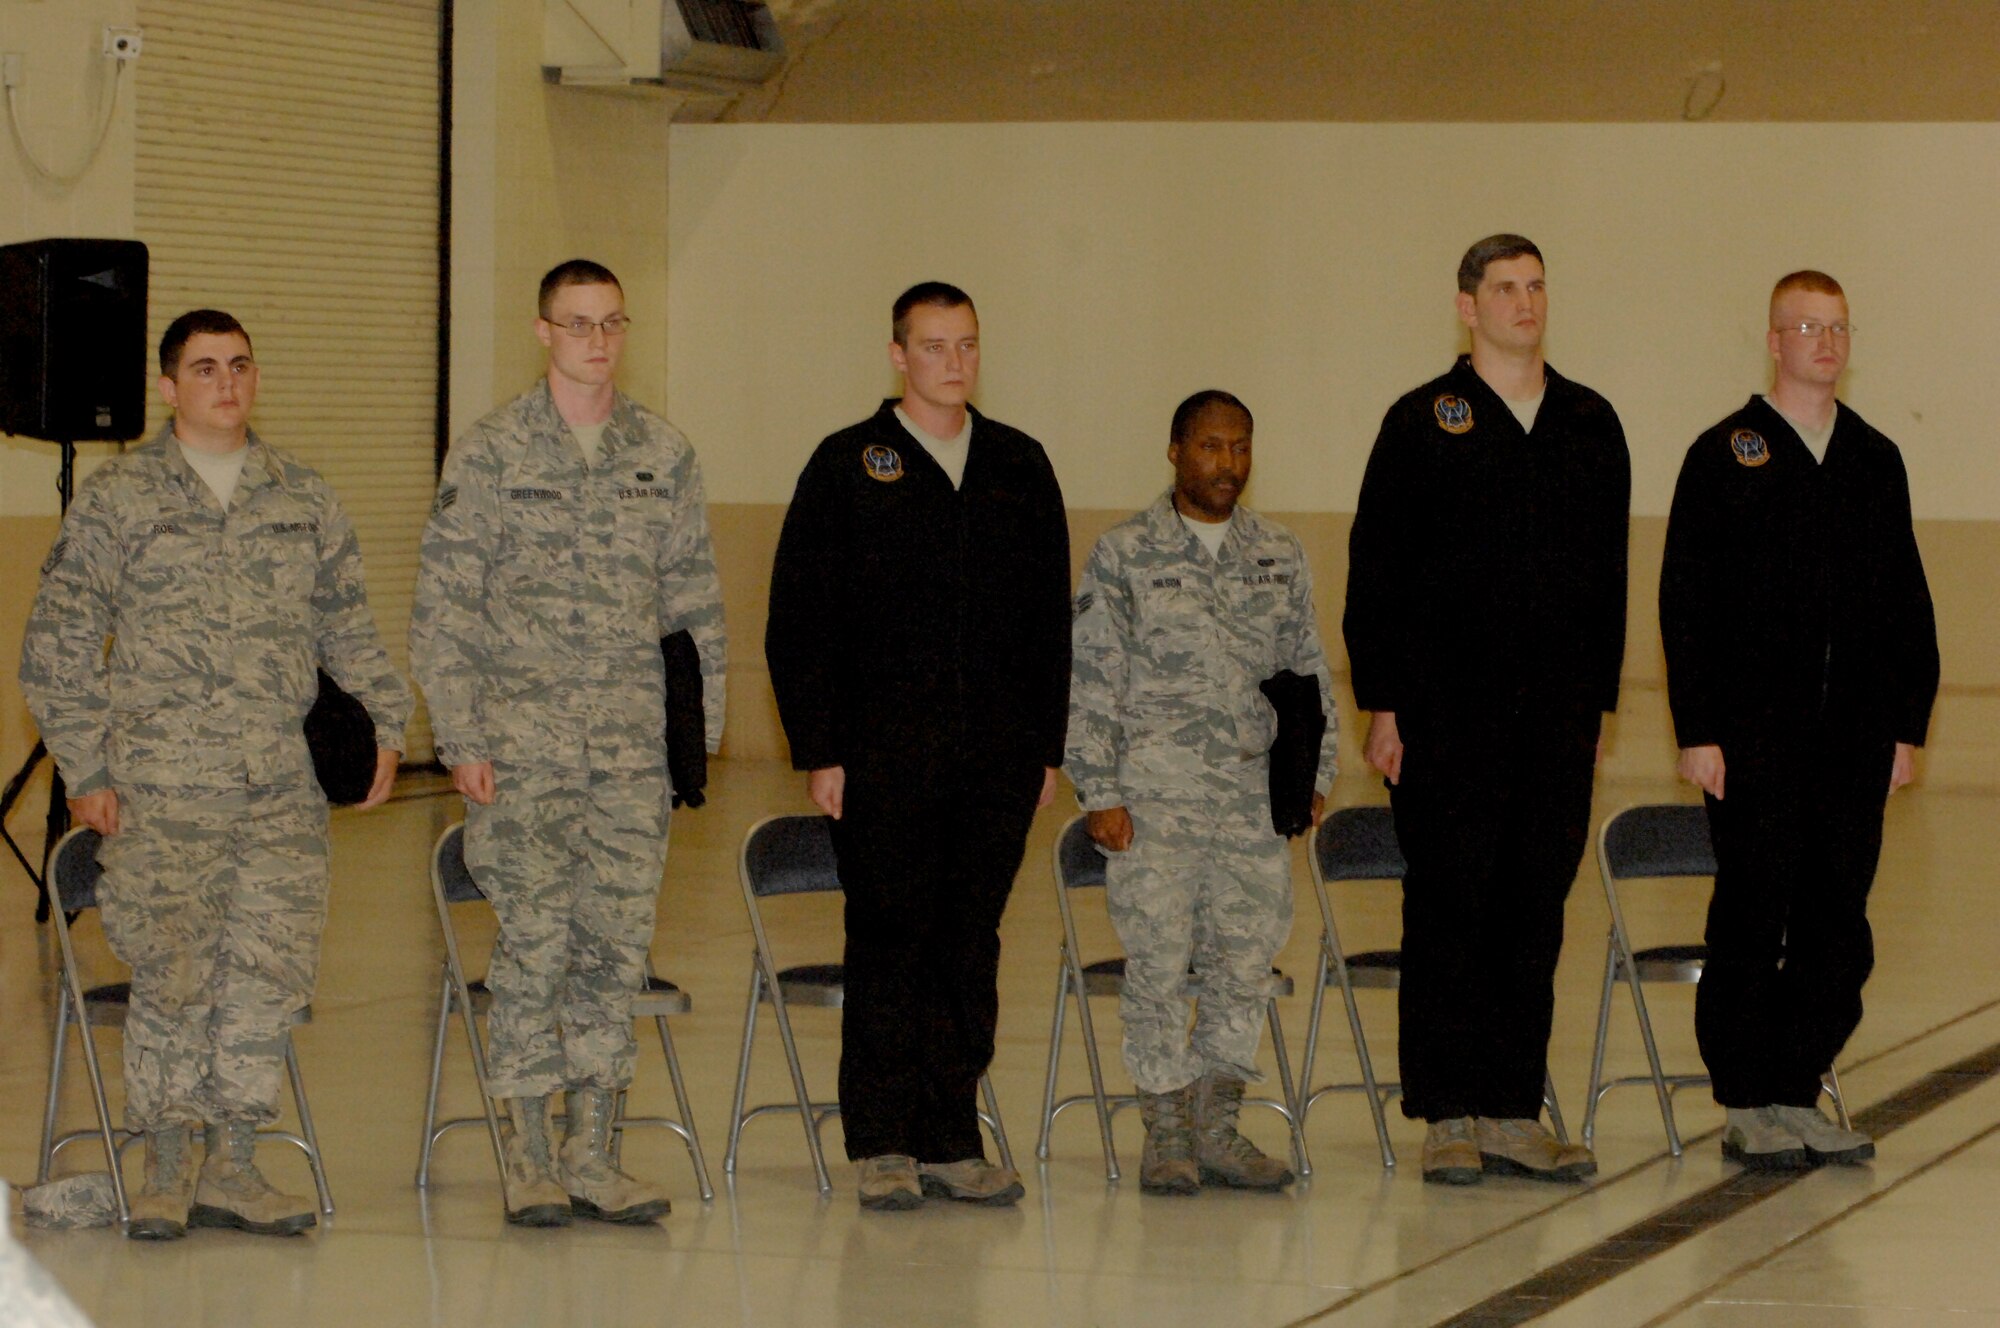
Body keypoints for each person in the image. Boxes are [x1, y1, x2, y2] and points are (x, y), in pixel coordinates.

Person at [19, 309, 412, 1240]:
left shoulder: (301, 497)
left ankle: (233, 1164)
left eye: (239, 366)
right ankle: (164, 1165)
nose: (226, 384)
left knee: (266, 974)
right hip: (162, 787)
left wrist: (388, 724)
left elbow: (348, 626)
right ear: (168, 388)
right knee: (174, 973)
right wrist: (87, 766)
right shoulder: (118, 501)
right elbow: (59, 644)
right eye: (203, 369)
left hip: (279, 787)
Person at [409, 259, 726, 1226]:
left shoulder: (661, 455)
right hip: (523, 755)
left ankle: (596, 1152)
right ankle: (531, 1154)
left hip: (629, 757)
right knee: (534, 952)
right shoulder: (493, 454)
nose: (597, 341)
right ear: (543, 332)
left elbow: (694, 614)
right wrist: (459, 737)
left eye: (612, 324)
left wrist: (693, 746)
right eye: (578, 324)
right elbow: (444, 609)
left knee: (613, 956)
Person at [765, 282, 1070, 1211]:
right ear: (898, 354)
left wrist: (1045, 745)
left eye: (967, 345)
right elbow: (798, 618)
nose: (953, 362)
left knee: (967, 945)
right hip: (883, 757)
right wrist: (821, 747)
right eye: (934, 346)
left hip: (996, 760)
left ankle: (950, 1133)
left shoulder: (1018, 463)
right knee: (891, 940)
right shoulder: (848, 465)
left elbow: (1050, 618)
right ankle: (885, 1140)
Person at [1344, 235, 1629, 1185]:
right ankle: (1447, 1111)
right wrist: (1382, 702)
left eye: (1537, 286)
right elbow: (1376, 569)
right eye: (1505, 288)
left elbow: (1608, 581)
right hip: (1444, 717)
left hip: (1553, 719)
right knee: (1449, 907)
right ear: (1467, 306)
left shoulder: (1590, 421)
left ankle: (1511, 1106)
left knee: (1533, 911)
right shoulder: (1425, 420)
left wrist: (1596, 706)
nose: (1524, 302)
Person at [1660, 270, 1937, 1171]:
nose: (1825, 341)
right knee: (1751, 915)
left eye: (1838, 326)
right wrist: (1698, 729)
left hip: (1852, 741)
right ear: (1773, 341)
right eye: (1806, 326)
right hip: (1752, 742)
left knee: (1837, 925)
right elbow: (1685, 603)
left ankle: (1797, 1086)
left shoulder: (1873, 457)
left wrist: (1907, 724)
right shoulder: (1724, 453)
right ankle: (1746, 1098)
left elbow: (1905, 600)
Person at [1067, 390, 1335, 1195]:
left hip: (1252, 799)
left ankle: (1217, 1127)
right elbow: (1091, 678)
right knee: (1156, 963)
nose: (1228, 464)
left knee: (1243, 964)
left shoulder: (1278, 552)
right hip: (1154, 799)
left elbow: (1308, 673)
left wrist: (1313, 776)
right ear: (1177, 451)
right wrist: (1099, 789)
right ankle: (1166, 1131)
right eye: (1212, 447)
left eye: (1241, 447)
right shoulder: (1125, 554)